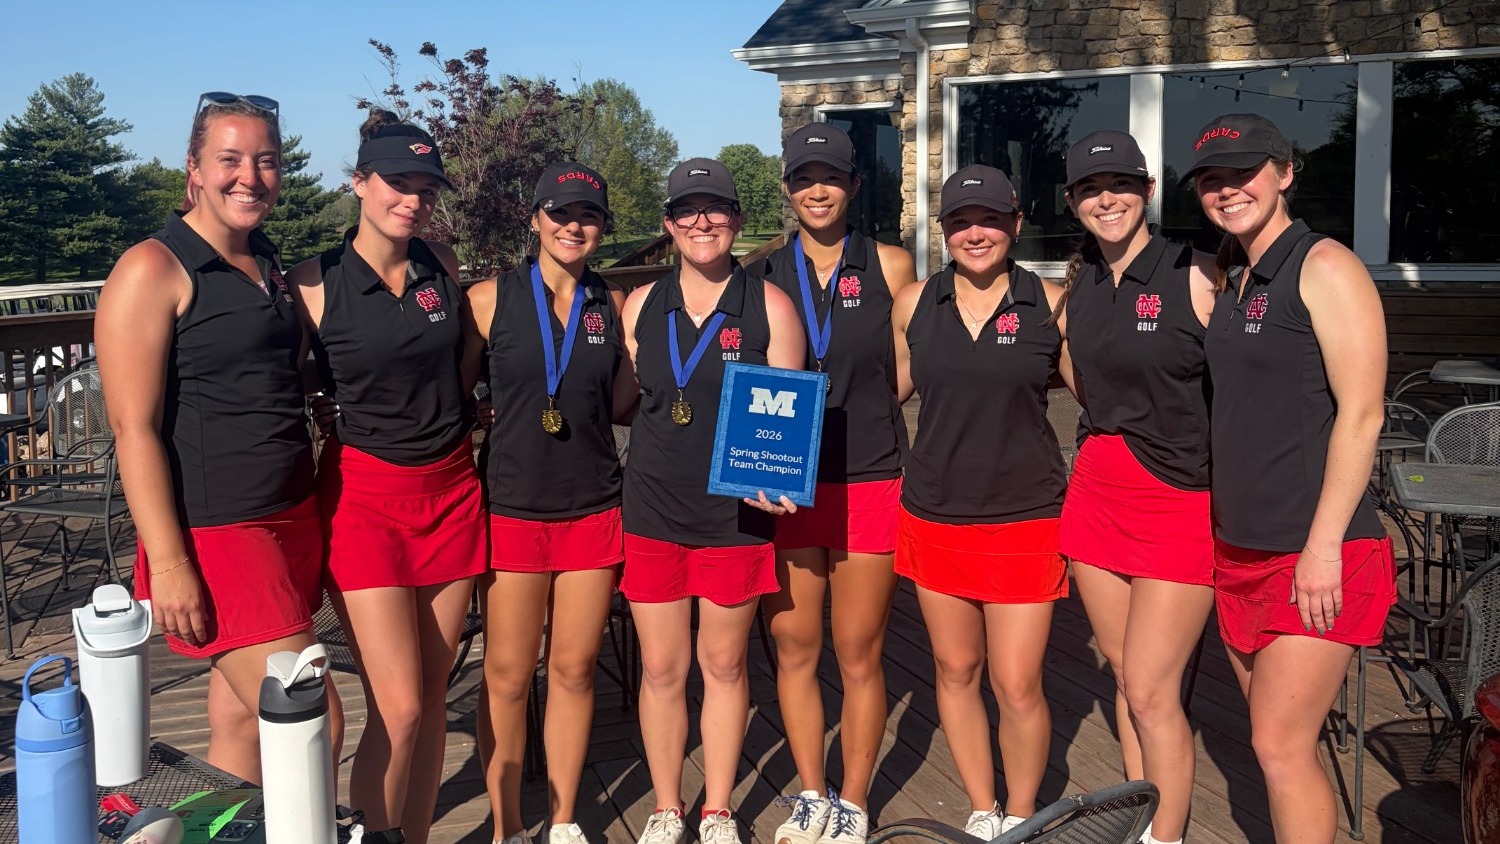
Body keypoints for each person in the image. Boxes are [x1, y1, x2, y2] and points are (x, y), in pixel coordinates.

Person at [98, 92, 341, 782]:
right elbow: (132, 428)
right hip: (217, 533)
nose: (250, 176)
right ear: (194, 170)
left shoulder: (266, 266)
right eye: (229, 159)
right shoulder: (153, 267)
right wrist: (170, 565)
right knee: (311, 713)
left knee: (240, 723)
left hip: (289, 517)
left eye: (266, 161)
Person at [1187, 113, 1393, 844]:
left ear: (1285, 172)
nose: (1227, 189)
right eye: (1212, 179)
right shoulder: (1231, 274)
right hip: (1240, 546)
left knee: (1279, 745)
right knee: (1276, 745)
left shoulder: (1325, 265)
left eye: (1243, 172)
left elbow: (1362, 415)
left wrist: (1323, 548)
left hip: (1317, 553)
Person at [288, 109, 485, 844]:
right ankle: (374, 836)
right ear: (360, 184)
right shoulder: (311, 284)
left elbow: (462, 360)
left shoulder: (444, 266)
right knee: (396, 706)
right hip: (366, 502)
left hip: (453, 492)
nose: (412, 199)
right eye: (397, 183)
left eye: (424, 188)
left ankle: (416, 834)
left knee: (431, 700)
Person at [619, 158, 805, 844]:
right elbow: (624, 400)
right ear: (669, 225)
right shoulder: (640, 304)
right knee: (663, 668)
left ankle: (718, 808)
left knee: (724, 665)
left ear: (737, 219)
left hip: (734, 514)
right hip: (653, 508)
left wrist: (783, 476)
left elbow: (788, 413)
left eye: (717, 210)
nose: (703, 223)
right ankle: (668, 808)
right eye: (688, 211)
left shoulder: (771, 306)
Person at [749, 123, 915, 844]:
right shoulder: (760, 273)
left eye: (831, 177)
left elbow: (905, 371)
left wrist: (866, 413)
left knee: (858, 649)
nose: (817, 190)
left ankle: (852, 800)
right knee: (793, 647)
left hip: (868, 475)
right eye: (803, 178)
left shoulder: (889, 263)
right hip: (786, 483)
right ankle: (810, 793)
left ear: (852, 184)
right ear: (788, 188)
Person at [891, 165, 1068, 839]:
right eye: (961, 222)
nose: (976, 233)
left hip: (1026, 516)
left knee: (1017, 682)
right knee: (956, 669)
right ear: (944, 232)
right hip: (935, 511)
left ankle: (1022, 815)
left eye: (990, 220)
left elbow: (1105, 400)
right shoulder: (914, 303)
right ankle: (982, 807)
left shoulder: (1049, 303)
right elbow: (883, 396)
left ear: (1015, 225)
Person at [465, 162, 636, 844]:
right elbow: (450, 399)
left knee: (571, 671)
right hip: (511, 508)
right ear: (534, 219)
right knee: (507, 677)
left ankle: (563, 822)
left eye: (588, 216)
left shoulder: (611, 307)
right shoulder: (487, 300)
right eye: (560, 213)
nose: (574, 226)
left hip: (593, 506)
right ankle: (508, 827)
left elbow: (624, 404)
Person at [1054, 131, 1216, 844]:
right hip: (1097, 492)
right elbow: (1079, 379)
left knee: (1152, 690)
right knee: (1127, 678)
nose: (1106, 199)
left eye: (1120, 185)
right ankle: (1138, 813)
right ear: (1073, 202)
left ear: (1148, 191)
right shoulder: (1081, 285)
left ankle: (1165, 836)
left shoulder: (1197, 274)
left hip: (1181, 499)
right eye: (1091, 189)